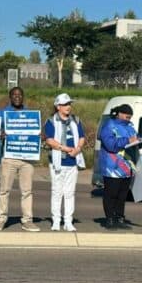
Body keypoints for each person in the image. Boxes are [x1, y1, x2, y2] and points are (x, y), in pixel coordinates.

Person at [0, 86, 39, 232]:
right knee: (4, 190)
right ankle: (1, 218)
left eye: (20, 94)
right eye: (14, 95)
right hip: (9, 157)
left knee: (27, 191)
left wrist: (38, 135)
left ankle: (27, 220)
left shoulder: (31, 114)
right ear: (10, 97)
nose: (17, 97)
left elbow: (37, 132)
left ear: (23, 97)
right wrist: (0, 134)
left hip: (27, 158)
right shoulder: (2, 113)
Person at [43, 93, 86, 232]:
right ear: (58, 107)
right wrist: (64, 148)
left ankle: (68, 221)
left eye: (69, 104)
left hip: (72, 162)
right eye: (65, 104)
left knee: (69, 192)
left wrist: (78, 149)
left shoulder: (76, 120)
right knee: (57, 191)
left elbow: (81, 137)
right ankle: (56, 220)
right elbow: (49, 140)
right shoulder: (51, 121)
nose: (68, 107)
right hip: (57, 161)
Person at [98, 103, 142, 230]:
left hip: (126, 167)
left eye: (130, 117)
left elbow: (135, 138)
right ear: (120, 114)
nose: (129, 120)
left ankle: (119, 218)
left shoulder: (130, 126)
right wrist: (127, 141)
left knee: (122, 195)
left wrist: (140, 141)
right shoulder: (108, 125)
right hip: (112, 167)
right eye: (127, 117)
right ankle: (109, 219)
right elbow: (110, 145)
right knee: (111, 194)